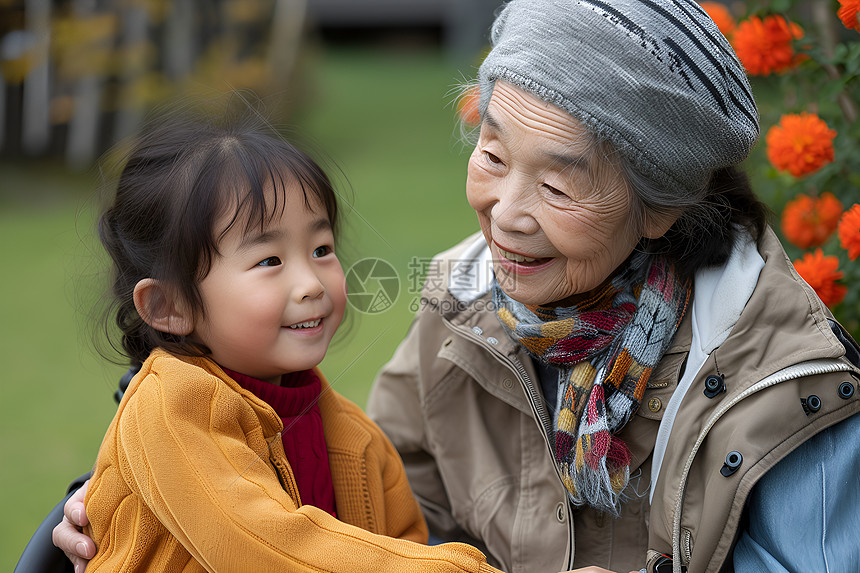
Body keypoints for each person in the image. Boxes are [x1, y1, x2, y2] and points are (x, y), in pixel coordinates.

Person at [54, 1, 860, 572]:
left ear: (660, 208)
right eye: (493, 155)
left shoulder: (773, 385)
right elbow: (370, 527)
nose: (504, 216)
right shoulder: (468, 309)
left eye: (558, 185)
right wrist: (126, 501)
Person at [52, 104, 504, 573]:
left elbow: (403, 545)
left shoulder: (355, 439)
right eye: (269, 260)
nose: (311, 282)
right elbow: (265, 549)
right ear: (170, 307)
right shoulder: (172, 407)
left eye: (321, 249)